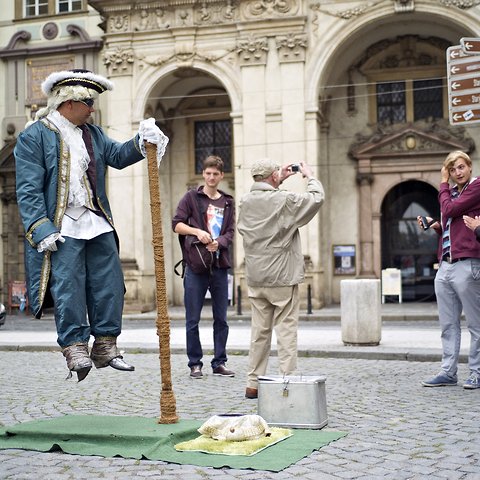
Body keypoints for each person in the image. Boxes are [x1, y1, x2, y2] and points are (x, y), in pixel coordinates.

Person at [14, 69, 168, 382]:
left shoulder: (92, 134)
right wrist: (41, 228)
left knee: (109, 283)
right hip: (60, 226)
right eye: (88, 103)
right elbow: (28, 189)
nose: (93, 108)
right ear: (68, 102)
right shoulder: (35, 135)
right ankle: (75, 347)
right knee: (68, 286)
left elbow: (118, 155)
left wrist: (142, 140)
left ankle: (106, 345)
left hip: (95, 219)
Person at [237, 158, 324, 399]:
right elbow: (316, 199)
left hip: (256, 277)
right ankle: (288, 382)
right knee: (286, 331)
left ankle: (252, 383)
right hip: (282, 277)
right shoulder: (283, 200)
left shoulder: (244, 202)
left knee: (259, 333)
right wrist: (309, 176)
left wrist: (278, 179)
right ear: (273, 177)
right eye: (277, 173)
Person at [418, 150, 480, 390]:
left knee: (475, 324)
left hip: (468, 264)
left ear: (470, 167)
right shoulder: (452, 193)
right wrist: (436, 226)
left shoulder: (476, 186)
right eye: (452, 169)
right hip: (445, 265)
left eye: (461, 167)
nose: (458, 172)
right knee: (448, 324)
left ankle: (476, 372)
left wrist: (442, 181)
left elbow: (452, 210)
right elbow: (449, 222)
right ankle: (448, 371)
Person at [172, 155, 235, 379]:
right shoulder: (191, 198)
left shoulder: (227, 201)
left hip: (219, 266)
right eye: (207, 173)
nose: (211, 177)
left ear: (221, 176)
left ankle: (219, 362)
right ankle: (195, 363)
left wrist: (221, 242)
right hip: (196, 266)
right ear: (203, 174)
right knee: (192, 319)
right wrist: (197, 231)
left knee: (222, 318)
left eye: (215, 174)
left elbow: (231, 232)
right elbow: (176, 225)